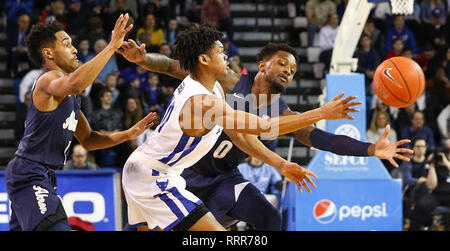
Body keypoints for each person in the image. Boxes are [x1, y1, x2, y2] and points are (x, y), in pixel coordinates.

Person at [118, 37, 414, 230]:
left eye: (294, 69)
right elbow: (173, 66)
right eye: (283, 63)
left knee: (271, 219)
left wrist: (370, 149)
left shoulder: (281, 111)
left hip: (223, 179)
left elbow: (322, 139)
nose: (289, 70)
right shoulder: (229, 83)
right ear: (262, 65)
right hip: (182, 175)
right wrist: (144, 60)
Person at [5, 14, 157, 231]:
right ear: (48, 53)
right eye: (67, 45)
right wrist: (111, 47)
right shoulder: (47, 80)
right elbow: (76, 83)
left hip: (42, 175)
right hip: (30, 171)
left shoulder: (72, 97)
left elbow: (89, 139)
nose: (75, 49)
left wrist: (128, 133)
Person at [409, 147, 450, 231]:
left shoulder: (448, 164)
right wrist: (432, 165)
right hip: (436, 194)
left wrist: (446, 162)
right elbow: (431, 186)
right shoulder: (433, 166)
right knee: (420, 205)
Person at [399, 137, 431, 222]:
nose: (420, 149)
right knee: (424, 186)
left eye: (422, 146)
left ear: (426, 148)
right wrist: (419, 181)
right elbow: (407, 179)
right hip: (412, 190)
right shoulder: (407, 162)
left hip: (429, 191)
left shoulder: (430, 163)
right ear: (413, 148)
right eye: (418, 146)